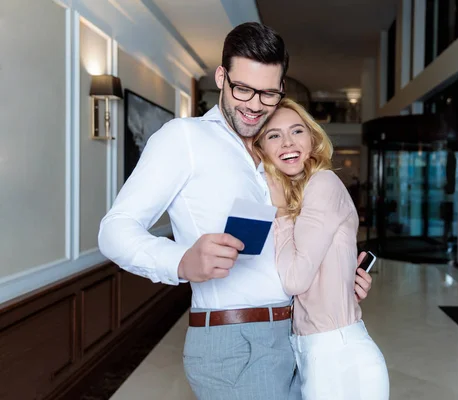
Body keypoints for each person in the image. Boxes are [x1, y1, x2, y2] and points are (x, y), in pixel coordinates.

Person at [97, 22, 373, 400]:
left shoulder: (275, 152)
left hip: (299, 335)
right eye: (243, 89)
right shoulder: (185, 138)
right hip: (235, 343)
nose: (256, 104)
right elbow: (115, 230)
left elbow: (291, 249)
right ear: (222, 77)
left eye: (269, 94)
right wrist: (182, 261)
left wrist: (337, 280)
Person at [253, 99, 389, 400]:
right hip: (307, 351)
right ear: (261, 148)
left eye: (296, 131)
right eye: (273, 135)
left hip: (337, 354)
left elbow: (294, 280)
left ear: (312, 139)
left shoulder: (323, 183)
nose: (287, 142)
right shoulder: (288, 196)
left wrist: (282, 214)